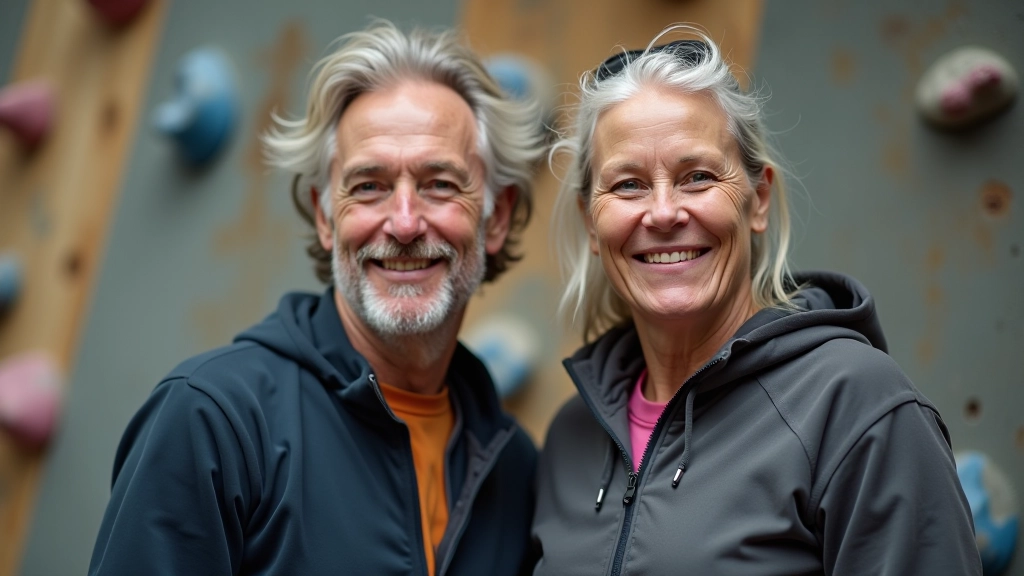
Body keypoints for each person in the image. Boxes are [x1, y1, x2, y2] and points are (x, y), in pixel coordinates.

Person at [89, 20, 545, 576]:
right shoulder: (213, 419)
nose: (403, 224)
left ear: (495, 217)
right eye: (369, 186)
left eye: (440, 184)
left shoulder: (516, 468)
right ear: (326, 216)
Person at [530, 28, 982, 575]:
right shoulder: (570, 437)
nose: (664, 212)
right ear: (590, 222)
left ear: (758, 198)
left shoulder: (856, 406)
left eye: (697, 177)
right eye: (627, 185)